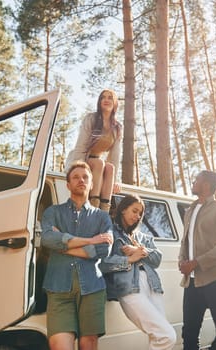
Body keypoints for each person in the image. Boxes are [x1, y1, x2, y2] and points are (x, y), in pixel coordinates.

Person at [41, 161, 114, 350]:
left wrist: (62, 245)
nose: (81, 180)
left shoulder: (102, 217)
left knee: (88, 344)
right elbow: (47, 239)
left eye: (85, 177)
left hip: (93, 288)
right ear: (68, 185)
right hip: (58, 288)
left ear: (91, 184)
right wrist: (90, 241)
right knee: (59, 345)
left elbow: (104, 250)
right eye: (75, 177)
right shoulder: (53, 212)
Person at [100, 194, 177, 350]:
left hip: (153, 286)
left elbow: (157, 259)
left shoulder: (143, 237)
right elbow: (102, 264)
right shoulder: (111, 233)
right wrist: (129, 259)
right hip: (130, 288)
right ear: (123, 210)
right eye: (134, 211)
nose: (137, 216)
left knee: (158, 336)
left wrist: (140, 250)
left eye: (140, 214)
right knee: (166, 336)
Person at [178, 170, 216, 350]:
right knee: (189, 332)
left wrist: (196, 263)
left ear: (206, 185)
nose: (193, 182)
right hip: (191, 283)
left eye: (197, 180)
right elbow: (185, 241)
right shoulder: (190, 210)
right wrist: (182, 261)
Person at [65, 89, 122, 212]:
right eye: (103, 97)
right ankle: (92, 207)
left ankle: (104, 210)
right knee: (99, 163)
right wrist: (77, 169)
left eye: (110, 98)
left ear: (115, 103)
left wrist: (115, 181)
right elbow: (81, 145)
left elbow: (115, 156)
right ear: (99, 101)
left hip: (97, 165)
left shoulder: (117, 127)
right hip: (81, 159)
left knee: (110, 167)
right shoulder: (91, 119)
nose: (106, 100)